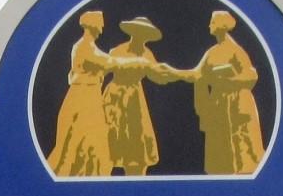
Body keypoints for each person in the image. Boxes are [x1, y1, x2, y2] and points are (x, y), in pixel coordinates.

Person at [101, 18, 191, 176]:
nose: (140, 36)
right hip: (115, 96)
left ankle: (135, 176)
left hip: (134, 98)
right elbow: (105, 70)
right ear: (132, 32)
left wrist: (175, 74)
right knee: (111, 137)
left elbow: (157, 75)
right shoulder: (118, 50)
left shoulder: (147, 53)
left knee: (136, 140)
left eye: (144, 34)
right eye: (138, 32)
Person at [190, 9, 265, 176]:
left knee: (242, 152)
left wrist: (228, 81)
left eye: (213, 22)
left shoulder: (236, 50)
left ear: (221, 25)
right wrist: (171, 72)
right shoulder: (211, 52)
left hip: (237, 104)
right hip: (219, 106)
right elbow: (197, 74)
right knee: (221, 158)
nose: (209, 25)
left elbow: (251, 76)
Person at [49, 11, 115, 177]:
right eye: (100, 23)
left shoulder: (88, 47)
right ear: (93, 25)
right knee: (74, 145)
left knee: (92, 144)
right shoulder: (85, 47)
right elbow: (109, 62)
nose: (102, 27)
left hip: (90, 99)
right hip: (83, 99)